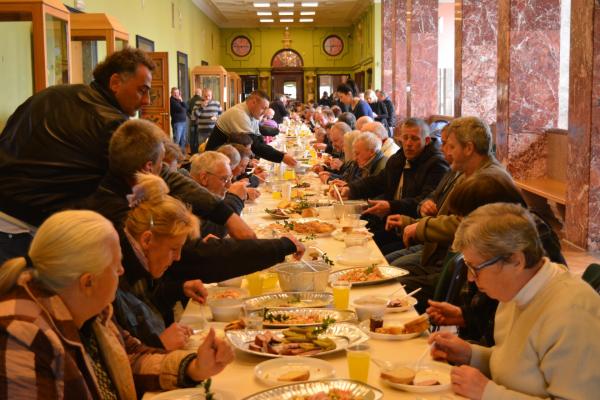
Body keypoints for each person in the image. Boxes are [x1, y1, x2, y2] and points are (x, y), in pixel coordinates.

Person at [0, 48, 254, 263]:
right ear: (115, 83)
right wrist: (226, 215)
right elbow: (163, 176)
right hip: (26, 229)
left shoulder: (52, 94)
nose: (145, 101)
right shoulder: (109, 122)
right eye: (142, 90)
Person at [0, 209, 234, 399]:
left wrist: (195, 367)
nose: (122, 271)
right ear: (88, 282)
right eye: (115, 266)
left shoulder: (91, 311)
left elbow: (129, 359)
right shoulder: (22, 334)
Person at [429, 203, 600, 399]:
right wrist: (470, 355)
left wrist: (488, 393)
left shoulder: (572, 315)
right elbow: (518, 368)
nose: (470, 278)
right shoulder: (516, 290)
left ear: (516, 262)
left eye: (476, 268)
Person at [426, 171, 564, 346]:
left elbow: (513, 349)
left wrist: (476, 362)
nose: (471, 277)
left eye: (467, 220)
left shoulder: (522, 255)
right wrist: (465, 317)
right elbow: (493, 318)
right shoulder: (500, 257)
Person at [114, 173, 207, 350]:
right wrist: (159, 345)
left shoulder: (138, 262)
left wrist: (178, 289)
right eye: (173, 249)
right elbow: (120, 357)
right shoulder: (116, 278)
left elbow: (145, 304)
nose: (178, 257)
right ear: (147, 240)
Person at [205, 90, 297, 166]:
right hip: (214, 161)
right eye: (263, 108)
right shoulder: (239, 114)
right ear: (253, 102)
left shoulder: (252, 114)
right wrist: (281, 157)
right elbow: (254, 145)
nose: (265, 112)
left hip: (228, 158)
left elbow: (258, 136)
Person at [170, 87, 188, 152]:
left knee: (183, 140)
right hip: (177, 123)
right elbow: (181, 109)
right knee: (177, 140)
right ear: (171, 93)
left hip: (183, 122)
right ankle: (174, 156)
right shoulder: (171, 101)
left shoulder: (179, 100)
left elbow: (186, 107)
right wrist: (182, 104)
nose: (176, 94)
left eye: (177, 93)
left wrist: (182, 101)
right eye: (174, 93)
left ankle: (182, 155)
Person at [187, 88, 204, 154]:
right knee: (198, 137)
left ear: (195, 92)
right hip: (199, 122)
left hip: (192, 122)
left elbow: (187, 111)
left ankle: (192, 152)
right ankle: (197, 152)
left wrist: (191, 117)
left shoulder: (190, 100)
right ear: (200, 93)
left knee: (192, 137)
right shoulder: (201, 101)